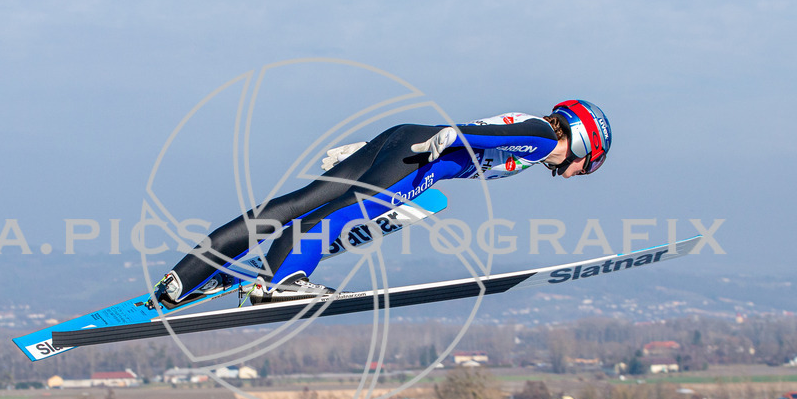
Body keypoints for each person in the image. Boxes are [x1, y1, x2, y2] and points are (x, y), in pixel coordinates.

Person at [153, 99, 612, 307]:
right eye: (588, 164)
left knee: (299, 203)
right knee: (353, 211)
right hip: (423, 153)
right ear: (582, 141)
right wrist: (450, 137)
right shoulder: (541, 139)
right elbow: (495, 136)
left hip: (403, 140)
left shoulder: (537, 133)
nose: (579, 173)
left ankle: (187, 276)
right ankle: (278, 281)